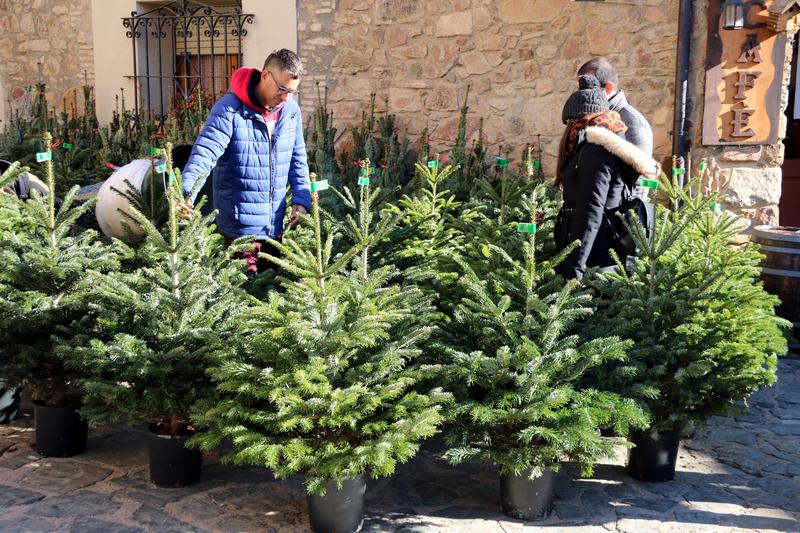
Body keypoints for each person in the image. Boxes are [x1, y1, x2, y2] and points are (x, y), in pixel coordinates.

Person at [179, 49, 312, 275]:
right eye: (282, 89)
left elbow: (297, 158)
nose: (285, 98)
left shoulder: (290, 111)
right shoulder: (229, 110)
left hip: (276, 226)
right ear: (265, 76)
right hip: (240, 231)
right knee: (245, 295)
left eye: (291, 92)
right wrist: (184, 194)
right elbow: (204, 154)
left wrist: (302, 198)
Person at [554, 75, 657, 281]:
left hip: (595, 254)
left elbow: (591, 211)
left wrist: (575, 268)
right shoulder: (598, 145)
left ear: (581, 120)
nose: (570, 129)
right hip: (596, 248)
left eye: (573, 122)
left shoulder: (596, 150)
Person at [575, 57, 653, 200]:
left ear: (609, 88)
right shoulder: (589, 117)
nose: (583, 94)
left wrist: (626, 219)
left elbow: (640, 182)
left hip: (615, 214)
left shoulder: (633, 121)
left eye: (589, 88)